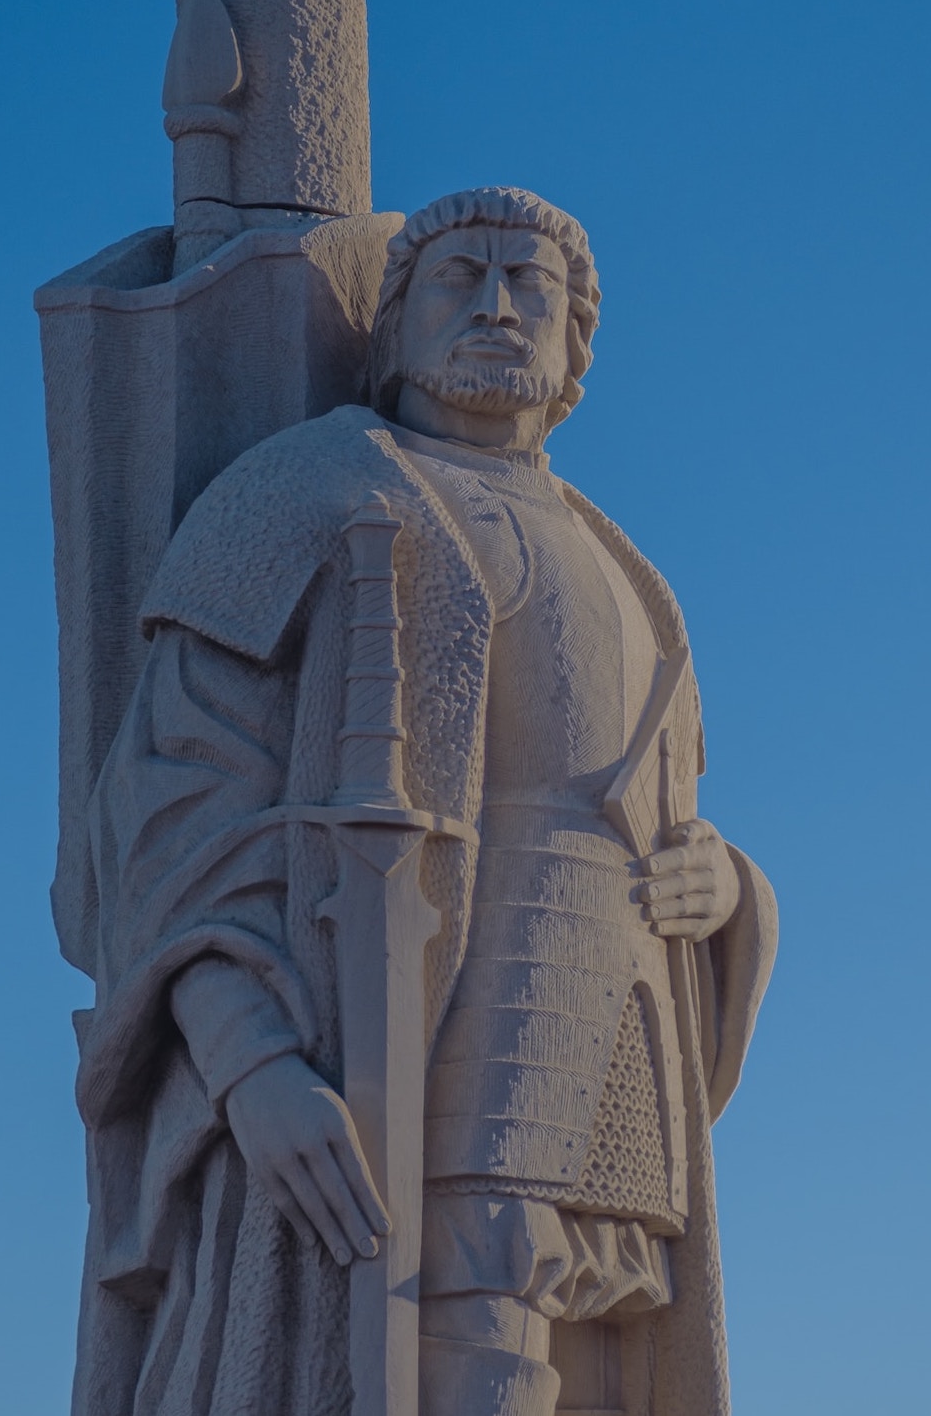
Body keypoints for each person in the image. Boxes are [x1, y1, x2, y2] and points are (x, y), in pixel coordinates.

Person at [68, 187, 777, 1416]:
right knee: (426, 1339)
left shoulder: (634, 576)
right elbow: (169, 813)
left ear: (573, 352)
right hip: (395, 1018)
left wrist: (728, 891)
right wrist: (248, 1061)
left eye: (529, 285)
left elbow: (666, 821)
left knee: (563, 1355)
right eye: (459, 277)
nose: (497, 305)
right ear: (395, 322)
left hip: (604, 1024)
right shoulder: (305, 487)